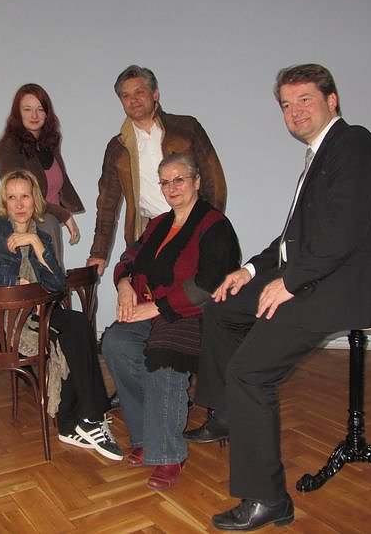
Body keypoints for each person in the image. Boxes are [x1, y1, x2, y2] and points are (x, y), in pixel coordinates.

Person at [192, 64, 371, 531]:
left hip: (335, 286)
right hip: (310, 276)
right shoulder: (319, 155)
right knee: (220, 306)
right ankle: (228, 411)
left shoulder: (353, 143)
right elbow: (290, 240)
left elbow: (343, 231)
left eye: (305, 99)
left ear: (332, 100)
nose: (295, 111)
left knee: (250, 373)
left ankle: (268, 500)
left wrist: (289, 282)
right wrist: (247, 271)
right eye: (286, 104)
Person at [0, 169, 123, 461]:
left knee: (76, 324)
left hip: (33, 317)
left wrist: (36, 246)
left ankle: (84, 421)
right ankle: (85, 420)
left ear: (35, 200)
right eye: (12, 197)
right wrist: (15, 282)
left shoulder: (42, 237)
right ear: (4, 202)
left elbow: (57, 285)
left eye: (25, 196)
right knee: (66, 334)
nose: (19, 204)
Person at [101, 153, 240, 490]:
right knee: (116, 343)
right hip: (151, 309)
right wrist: (123, 284)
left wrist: (158, 307)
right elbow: (129, 258)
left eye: (179, 179)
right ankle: (147, 436)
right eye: (165, 182)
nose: (171, 187)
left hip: (192, 313)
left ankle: (168, 453)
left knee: (164, 358)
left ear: (196, 181)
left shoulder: (214, 225)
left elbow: (209, 283)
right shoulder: (158, 224)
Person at [87, 65, 227, 275]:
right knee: (149, 291)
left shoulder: (186, 128)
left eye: (139, 92)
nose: (133, 100)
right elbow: (107, 203)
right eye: (126, 96)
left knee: (197, 290)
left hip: (193, 225)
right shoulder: (117, 148)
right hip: (150, 232)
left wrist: (209, 226)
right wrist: (99, 252)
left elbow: (214, 180)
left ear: (155, 94)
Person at [0, 83, 85, 268]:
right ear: (17, 113)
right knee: (50, 271)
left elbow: (60, 181)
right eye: (27, 109)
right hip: (27, 219)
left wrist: (68, 208)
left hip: (48, 218)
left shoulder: (48, 143)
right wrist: (64, 215)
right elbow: (20, 195)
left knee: (53, 265)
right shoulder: (8, 147)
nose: (34, 116)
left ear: (47, 113)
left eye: (40, 109)